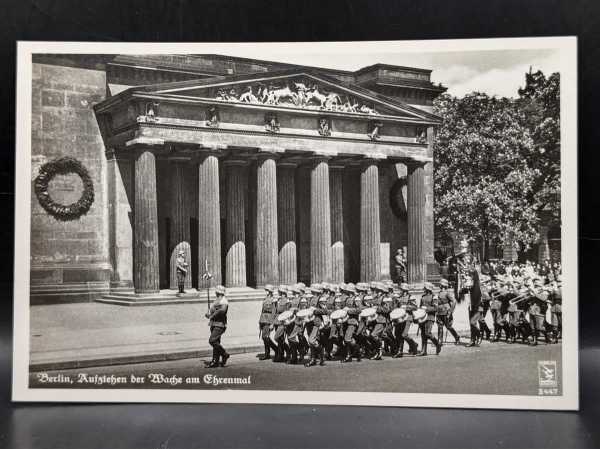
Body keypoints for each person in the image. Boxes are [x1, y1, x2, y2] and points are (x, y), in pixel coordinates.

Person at [204, 285, 229, 368]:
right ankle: (215, 361)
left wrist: (212, 315)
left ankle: (224, 354)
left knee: (212, 341)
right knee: (216, 343)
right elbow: (212, 311)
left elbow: (222, 311)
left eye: (216, 291)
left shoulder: (224, 300)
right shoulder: (216, 301)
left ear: (219, 292)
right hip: (213, 323)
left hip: (220, 324)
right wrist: (208, 314)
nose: (215, 292)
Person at [392, 283, 419, 357]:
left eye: (402, 290)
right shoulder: (399, 297)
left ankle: (414, 346)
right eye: (401, 289)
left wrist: (406, 307)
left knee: (404, 334)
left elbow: (415, 307)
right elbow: (395, 308)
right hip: (400, 318)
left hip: (408, 317)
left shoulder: (411, 297)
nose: (401, 291)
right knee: (398, 334)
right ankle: (400, 351)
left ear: (406, 290)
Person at [417, 282, 442, 356]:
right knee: (423, 334)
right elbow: (420, 307)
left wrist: (426, 309)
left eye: (425, 288)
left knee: (428, 333)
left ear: (428, 289)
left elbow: (436, 308)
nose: (424, 289)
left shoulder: (434, 297)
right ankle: (424, 351)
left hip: (430, 317)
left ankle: (437, 344)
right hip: (422, 317)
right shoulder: (423, 297)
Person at [436, 278, 460, 345]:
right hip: (439, 312)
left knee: (448, 326)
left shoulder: (448, 293)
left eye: (440, 284)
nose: (439, 285)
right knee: (440, 326)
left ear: (443, 285)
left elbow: (454, 302)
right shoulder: (439, 293)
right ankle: (440, 341)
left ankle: (457, 337)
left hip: (446, 312)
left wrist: (450, 311)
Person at [258, 285, 277, 360]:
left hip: (269, 319)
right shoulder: (265, 299)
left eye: (267, 290)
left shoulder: (273, 300)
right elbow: (262, 311)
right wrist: (260, 321)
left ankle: (276, 349)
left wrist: (272, 323)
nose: (266, 291)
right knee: (264, 338)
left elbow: (274, 312)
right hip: (263, 319)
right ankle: (267, 353)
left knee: (265, 337)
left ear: (270, 291)